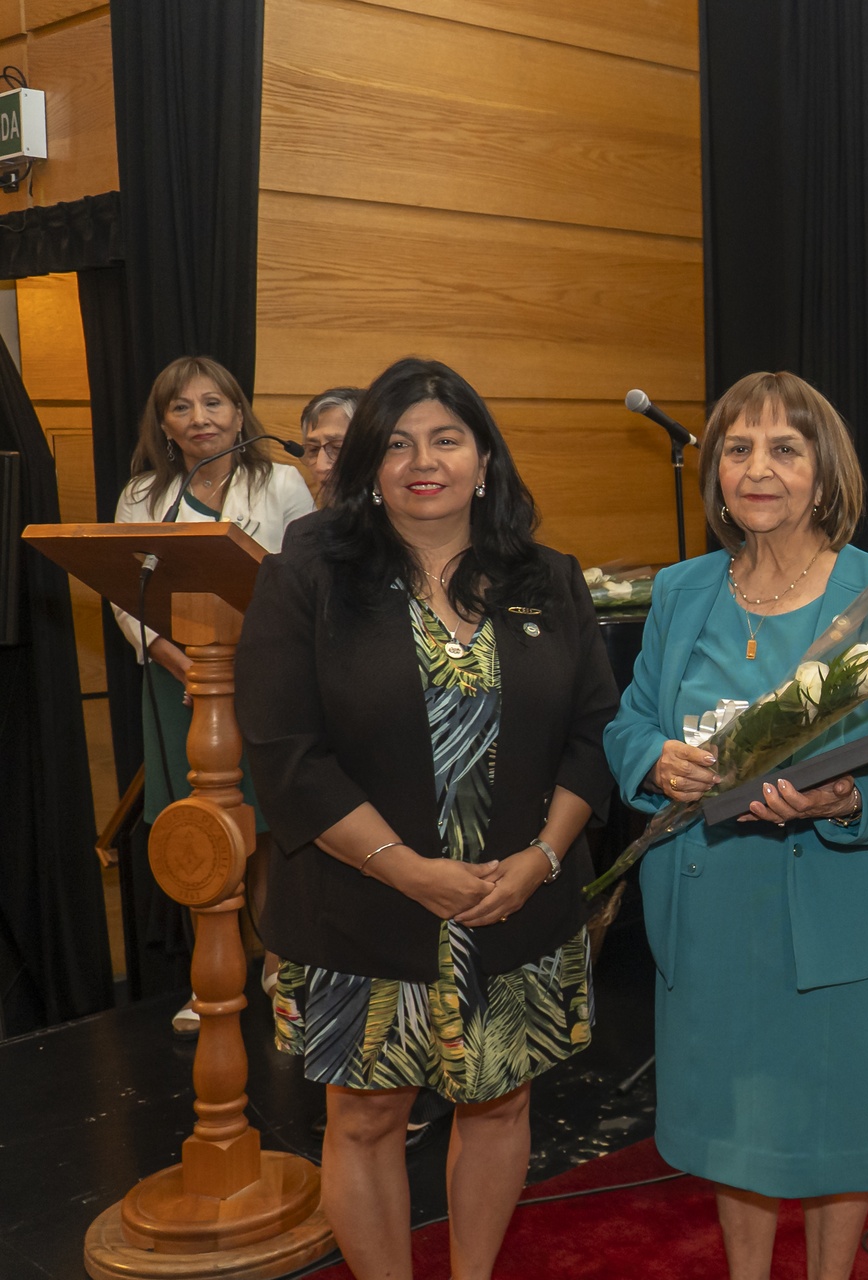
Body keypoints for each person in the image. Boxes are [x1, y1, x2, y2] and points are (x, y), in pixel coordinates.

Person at [235, 357, 618, 1280]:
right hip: (357, 908)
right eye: (398, 443)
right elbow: (286, 755)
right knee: (363, 1119)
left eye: (447, 438)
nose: (424, 460)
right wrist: (407, 870)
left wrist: (541, 859)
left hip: (515, 906)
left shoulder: (548, 578)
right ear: (368, 465)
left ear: (484, 459)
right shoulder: (307, 578)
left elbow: (595, 735)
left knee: (500, 1105)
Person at [603, 371, 868, 1280]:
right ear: (715, 472)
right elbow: (629, 719)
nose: (758, 469)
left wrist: (845, 799)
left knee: (843, 1136)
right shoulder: (680, 592)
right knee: (737, 1140)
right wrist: (653, 761)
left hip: (849, 912)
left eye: (785, 449)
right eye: (738, 449)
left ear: (825, 474)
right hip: (713, 916)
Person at [112, 355, 315, 1034]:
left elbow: (304, 587)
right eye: (181, 408)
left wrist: (248, 669)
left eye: (213, 403)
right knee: (203, 834)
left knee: (269, 828)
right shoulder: (142, 496)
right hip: (180, 690)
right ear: (163, 425)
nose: (199, 419)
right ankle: (213, 975)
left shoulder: (282, 482)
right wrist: (173, 659)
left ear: (238, 412)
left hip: (267, 686)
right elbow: (124, 593)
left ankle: (282, 967)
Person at [297, 384, 362, 504]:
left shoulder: (402, 521)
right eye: (313, 450)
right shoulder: (307, 523)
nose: (320, 467)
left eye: (338, 448)